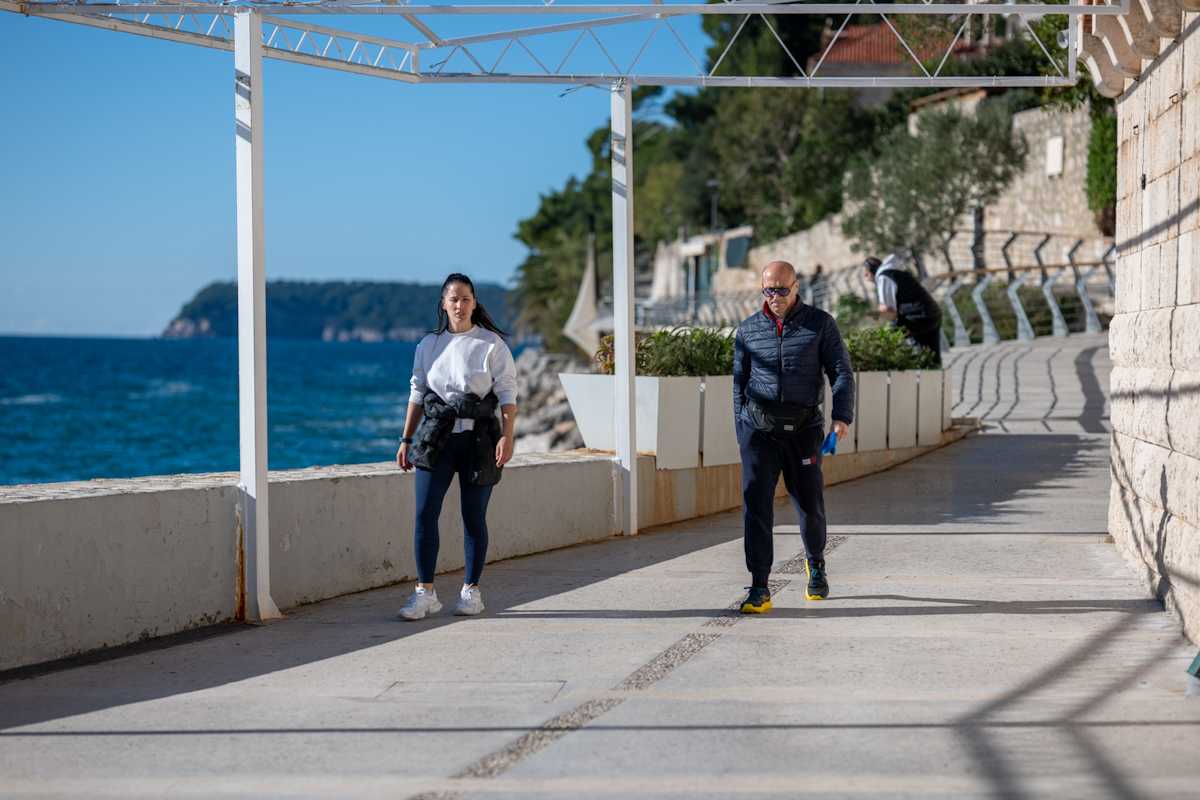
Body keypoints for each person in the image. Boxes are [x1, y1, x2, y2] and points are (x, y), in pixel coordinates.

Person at [733, 260, 855, 614]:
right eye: (768, 290)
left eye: (782, 290)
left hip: (803, 429)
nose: (775, 297)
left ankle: (815, 564)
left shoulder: (820, 324)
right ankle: (759, 586)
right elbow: (739, 384)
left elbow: (840, 371)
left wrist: (842, 417)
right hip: (759, 431)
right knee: (756, 507)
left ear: (796, 288)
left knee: (809, 503)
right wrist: (742, 431)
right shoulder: (748, 330)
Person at [395, 273, 518, 620]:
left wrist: (507, 436)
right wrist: (406, 439)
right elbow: (417, 392)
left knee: (473, 517)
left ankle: (471, 591)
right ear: (443, 304)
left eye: (465, 299)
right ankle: (425, 593)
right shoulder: (428, 344)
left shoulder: (491, 344)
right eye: (453, 299)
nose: (459, 305)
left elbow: (507, 393)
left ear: (474, 303)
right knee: (424, 514)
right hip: (436, 439)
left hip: (479, 441)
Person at [864, 253, 943, 366]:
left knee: (887, 340)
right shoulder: (896, 272)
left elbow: (890, 313)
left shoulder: (884, 277)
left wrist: (875, 313)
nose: (865, 276)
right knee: (932, 361)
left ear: (870, 271)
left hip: (917, 318)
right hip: (932, 314)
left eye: (866, 272)